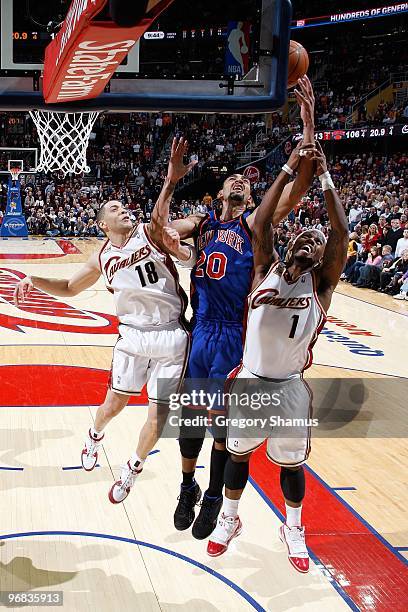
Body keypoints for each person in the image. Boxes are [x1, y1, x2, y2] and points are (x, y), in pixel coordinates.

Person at [170, 76, 316, 540]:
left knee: (225, 431)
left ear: (253, 198)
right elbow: (162, 232)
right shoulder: (203, 224)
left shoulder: (257, 225)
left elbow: (295, 191)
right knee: (189, 418)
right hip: (201, 330)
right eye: (230, 178)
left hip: (237, 335)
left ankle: (217, 497)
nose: (237, 179)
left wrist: (307, 133)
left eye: (243, 181)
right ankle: (188, 486)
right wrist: (170, 186)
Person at [13, 138, 196, 504]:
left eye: (125, 206)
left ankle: (131, 469)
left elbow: (181, 221)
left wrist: (181, 197)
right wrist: (36, 280)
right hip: (132, 337)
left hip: (173, 336)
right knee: (114, 404)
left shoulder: (151, 232)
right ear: (102, 224)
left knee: (158, 415)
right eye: (115, 208)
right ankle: (94, 436)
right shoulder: (102, 257)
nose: (124, 209)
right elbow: (68, 286)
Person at [207, 142, 348, 573]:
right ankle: (229, 520)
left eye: (316, 242)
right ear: (290, 246)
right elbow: (263, 219)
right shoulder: (264, 265)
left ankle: (294, 528)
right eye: (303, 236)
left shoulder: (320, 287)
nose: (309, 239)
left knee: (291, 466)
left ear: (322, 259)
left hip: (289, 387)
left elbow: (340, 234)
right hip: (250, 379)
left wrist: (324, 179)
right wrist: (287, 167)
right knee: (238, 455)